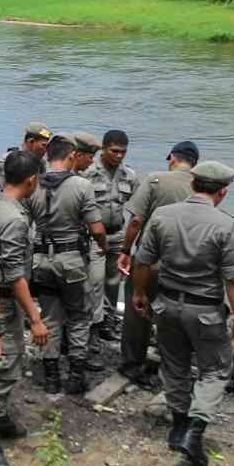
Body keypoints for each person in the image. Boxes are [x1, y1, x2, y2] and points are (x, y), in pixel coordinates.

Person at [131, 161, 234, 466]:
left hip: (167, 304)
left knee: (174, 365)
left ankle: (178, 426)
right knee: (216, 369)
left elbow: (142, 261)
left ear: (193, 185)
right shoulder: (226, 225)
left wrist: (139, 294)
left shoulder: (162, 216)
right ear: (222, 192)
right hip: (205, 309)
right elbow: (233, 280)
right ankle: (194, 431)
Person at [0, 150, 48, 466]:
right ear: (32, 180)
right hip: (3, 299)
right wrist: (34, 317)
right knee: (5, 363)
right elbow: (15, 273)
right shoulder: (15, 219)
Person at [28, 136, 106, 395]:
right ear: (72, 155)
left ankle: (51, 377)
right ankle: (75, 375)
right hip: (72, 261)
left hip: (41, 260)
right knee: (78, 316)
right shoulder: (82, 186)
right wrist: (103, 245)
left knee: (49, 317)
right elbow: (96, 228)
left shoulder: (34, 184)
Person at [117, 140, 198, 384]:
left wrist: (125, 250)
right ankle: (171, 370)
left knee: (137, 310)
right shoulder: (202, 185)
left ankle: (132, 364)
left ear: (172, 157)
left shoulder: (155, 180)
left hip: (150, 262)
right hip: (185, 264)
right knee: (173, 316)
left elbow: (136, 220)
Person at [83, 130, 139, 341]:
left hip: (118, 234)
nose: (119, 156)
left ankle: (108, 320)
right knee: (95, 280)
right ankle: (94, 325)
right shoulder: (88, 173)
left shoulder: (130, 176)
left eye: (123, 152)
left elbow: (138, 208)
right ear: (104, 149)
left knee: (114, 281)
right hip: (94, 236)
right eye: (114, 151)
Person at [71, 132, 108, 372]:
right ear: (78, 155)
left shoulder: (90, 177)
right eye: (89, 157)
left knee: (94, 291)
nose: (92, 162)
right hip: (67, 245)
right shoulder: (52, 178)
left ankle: (90, 343)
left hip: (89, 243)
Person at [0, 122, 52, 194]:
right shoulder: (7, 163)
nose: (46, 150)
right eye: (44, 145)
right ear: (31, 142)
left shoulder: (42, 164)